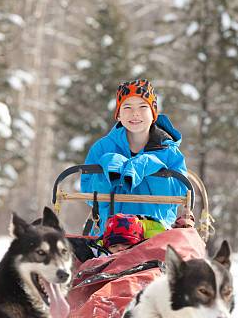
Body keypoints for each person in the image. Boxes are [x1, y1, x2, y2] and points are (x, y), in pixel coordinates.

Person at [80, 79, 191, 235]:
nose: (135, 113)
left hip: (155, 232)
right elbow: (89, 194)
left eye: (143, 106)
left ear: (153, 113)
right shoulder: (103, 148)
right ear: (118, 114)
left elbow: (177, 195)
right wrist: (108, 173)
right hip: (110, 234)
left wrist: (151, 168)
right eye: (127, 107)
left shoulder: (168, 152)